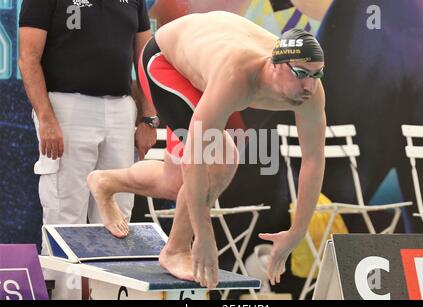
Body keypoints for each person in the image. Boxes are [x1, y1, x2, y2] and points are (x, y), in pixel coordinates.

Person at [87, 11, 326, 289]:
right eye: (301, 75)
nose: (309, 85)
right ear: (275, 65)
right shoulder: (236, 75)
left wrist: (297, 232)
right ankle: (176, 249)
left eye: (316, 74)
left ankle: (105, 182)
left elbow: (313, 159)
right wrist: (203, 235)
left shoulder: (311, 92)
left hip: (205, 61)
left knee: (176, 182)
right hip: (165, 62)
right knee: (220, 157)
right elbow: (198, 157)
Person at [19, 0, 154, 298]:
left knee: (120, 214)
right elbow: (28, 57)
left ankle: (109, 296)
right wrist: (46, 118)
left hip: (121, 109)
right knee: (65, 215)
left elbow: (144, 60)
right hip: (67, 107)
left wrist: (149, 117)